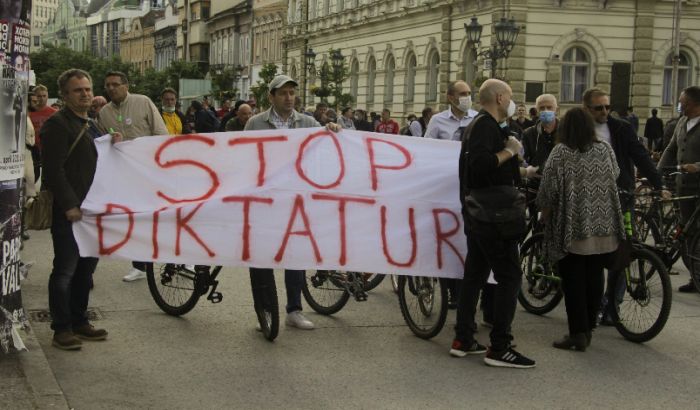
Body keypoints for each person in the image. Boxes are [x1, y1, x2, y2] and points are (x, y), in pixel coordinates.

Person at [245, 74, 342, 330]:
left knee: (295, 256)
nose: (289, 98)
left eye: (292, 93)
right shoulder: (255, 124)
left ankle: (294, 309)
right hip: (264, 202)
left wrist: (331, 131)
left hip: (296, 201)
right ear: (271, 97)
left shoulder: (308, 123)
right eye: (283, 93)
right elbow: (243, 159)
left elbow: (324, 149)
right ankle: (265, 310)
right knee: (262, 258)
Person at [451, 78, 536, 369]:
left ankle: (463, 338)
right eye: (510, 96)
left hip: (481, 214)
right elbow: (483, 166)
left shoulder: (481, 125)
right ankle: (500, 346)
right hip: (494, 216)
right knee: (510, 277)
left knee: (475, 273)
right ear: (500, 98)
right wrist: (510, 151)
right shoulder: (485, 126)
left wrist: (521, 170)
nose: (513, 102)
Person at [537, 107, 624, 351]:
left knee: (573, 280)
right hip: (603, 224)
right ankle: (589, 327)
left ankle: (578, 333)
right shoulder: (604, 148)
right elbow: (615, 173)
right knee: (595, 276)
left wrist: (544, 212)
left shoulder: (561, 152)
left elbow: (548, 188)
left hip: (574, 225)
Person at [582, 88, 668, 322]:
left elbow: (641, 157)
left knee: (621, 252)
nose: (604, 112)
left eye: (607, 107)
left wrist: (659, 185)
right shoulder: (579, 129)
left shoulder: (622, 128)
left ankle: (613, 306)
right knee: (593, 253)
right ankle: (594, 303)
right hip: (590, 199)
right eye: (599, 108)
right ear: (587, 109)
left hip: (621, 195)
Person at [41, 68, 112, 350]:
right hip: (71, 211)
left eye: (87, 88)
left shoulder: (92, 123)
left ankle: (80, 320)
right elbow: (54, 170)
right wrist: (69, 204)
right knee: (65, 270)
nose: (84, 94)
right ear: (65, 95)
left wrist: (112, 141)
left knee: (86, 270)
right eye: (77, 90)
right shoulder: (57, 124)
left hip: (93, 210)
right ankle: (61, 329)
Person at [98, 71, 169, 282]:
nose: (111, 88)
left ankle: (173, 260)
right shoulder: (104, 113)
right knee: (134, 220)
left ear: (126, 86)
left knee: (159, 218)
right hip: (125, 176)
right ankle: (139, 266)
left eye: (115, 84)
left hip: (150, 172)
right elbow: (102, 144)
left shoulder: (143, 102)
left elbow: (161, 134)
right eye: (107, 85)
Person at [658, 86, 700, 293]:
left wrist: (697, 166)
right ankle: (695, 277)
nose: (679, 104)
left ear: (693, 104)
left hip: (699, 187)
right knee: (686, 234)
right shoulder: (682, 122)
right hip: (684, 187)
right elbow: (671, 148)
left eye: (682, 101)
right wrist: (656, 174)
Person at [522, 94, 559, 179]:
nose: (546, 110)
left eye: (549, 107)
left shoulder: (567, 131)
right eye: (542, 108)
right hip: (536, 183)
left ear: (556, 110)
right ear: (537, 111)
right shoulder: (528, 134)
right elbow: (523, 159)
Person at [29, 84, 57, 180]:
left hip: (48, 149)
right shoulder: (29, 112)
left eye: (44, 96)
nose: (42, 98)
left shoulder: (54, 113)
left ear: (47, 96)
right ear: (34, 97)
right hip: (32, 150)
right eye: (39, 96)